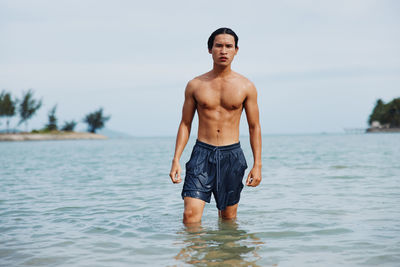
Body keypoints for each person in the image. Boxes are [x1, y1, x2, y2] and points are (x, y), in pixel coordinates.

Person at [169, 27, 262, 224]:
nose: (223, 50)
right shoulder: (195, 85)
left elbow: (254, 127)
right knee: (190, 216)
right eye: (218, 46)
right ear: (210, 49)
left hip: (232, 156)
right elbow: (185, 123)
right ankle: (192, 255)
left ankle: (226, 255)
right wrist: (176, 159)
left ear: (236, 50)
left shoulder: (246, 86)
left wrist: (257, 164)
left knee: (228, 220)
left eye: (229, 46)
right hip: (202, 154)